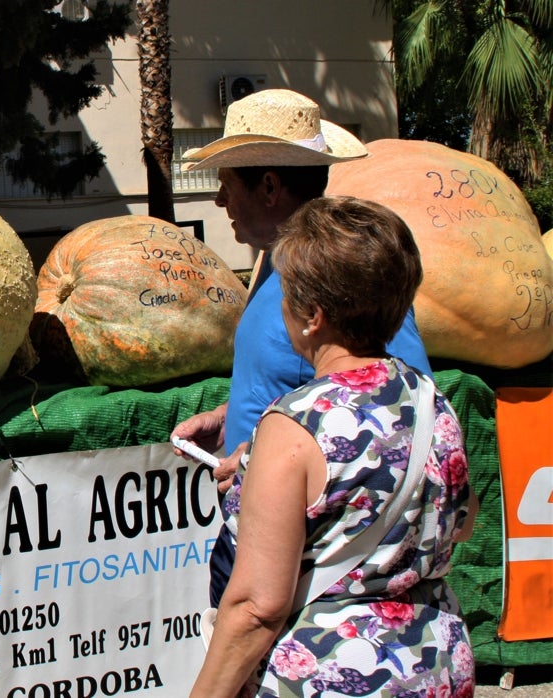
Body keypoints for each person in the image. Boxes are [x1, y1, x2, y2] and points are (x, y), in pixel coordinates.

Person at [189, 196, 476, 697]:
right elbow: (463, 517)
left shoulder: (294, 425)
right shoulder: (434, 403)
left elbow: (257, 607)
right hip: (435, 666)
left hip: (337, 674)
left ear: (312, 316)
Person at [168, 89, 433, 606]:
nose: (220, 202)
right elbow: (312, 377)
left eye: (225, 185)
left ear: (269, 186)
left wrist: (262, 456)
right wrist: (232, 415)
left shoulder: (340, 275)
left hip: (303, 552)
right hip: (263, 527)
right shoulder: (273, 262)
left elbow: (399, 408)